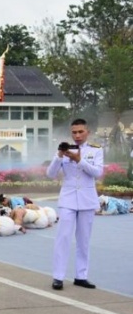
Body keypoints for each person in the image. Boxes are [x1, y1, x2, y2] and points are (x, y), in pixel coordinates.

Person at [47, 118, 103, 291]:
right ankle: (58, 277)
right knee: (63, 238)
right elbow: (50, 174)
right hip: (68, 198)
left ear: (88, 132)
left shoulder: (96, 150)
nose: (77, 135)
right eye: (74, 132)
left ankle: (81, 276)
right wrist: (58, 157)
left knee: (84, 240)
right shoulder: (64, 150)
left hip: (87, 198)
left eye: (80, 132)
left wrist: (79, 160)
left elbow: (98, 173)